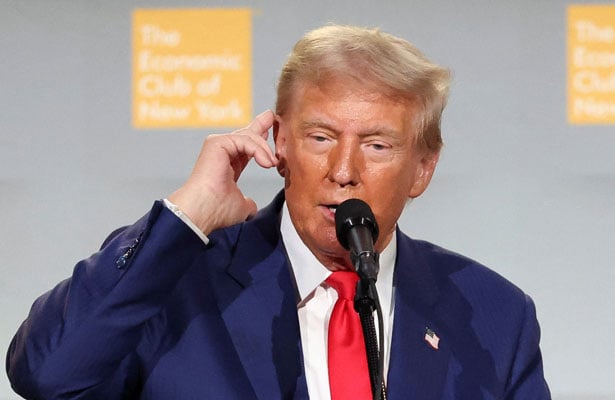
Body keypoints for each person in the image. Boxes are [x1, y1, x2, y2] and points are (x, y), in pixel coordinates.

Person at [6, 24, 550, 399]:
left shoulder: (493, 315)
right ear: (280, 146)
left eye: (378, 145)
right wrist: (187, 215)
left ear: (424, 170)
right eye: (319, 137)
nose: (343, 169)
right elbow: (48, 374)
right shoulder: (175, 281)